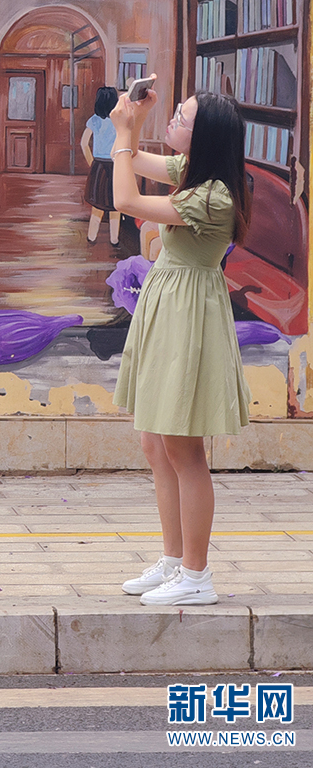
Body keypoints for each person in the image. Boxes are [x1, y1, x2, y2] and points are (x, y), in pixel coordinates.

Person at [110, 78, 251, 606]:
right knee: (155, 441)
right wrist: (134, 122)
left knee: (183, 447)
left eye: (182, 118)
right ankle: (174, 562)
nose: (174, 120)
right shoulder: (192, 173)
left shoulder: (212, 196)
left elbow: (125, 198)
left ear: (205, 136)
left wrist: (122, 130)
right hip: (170, 305)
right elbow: (136, 161)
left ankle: (196, 575)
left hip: (189, 314)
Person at [80, 85, 122, 246]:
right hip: (115, 165)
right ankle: (114, 239)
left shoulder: (94, 120)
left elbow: (84, 143)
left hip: (98, 166)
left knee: (97, 205)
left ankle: (91, 237)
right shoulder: (118, 121)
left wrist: (92, 162)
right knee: (115, 205)